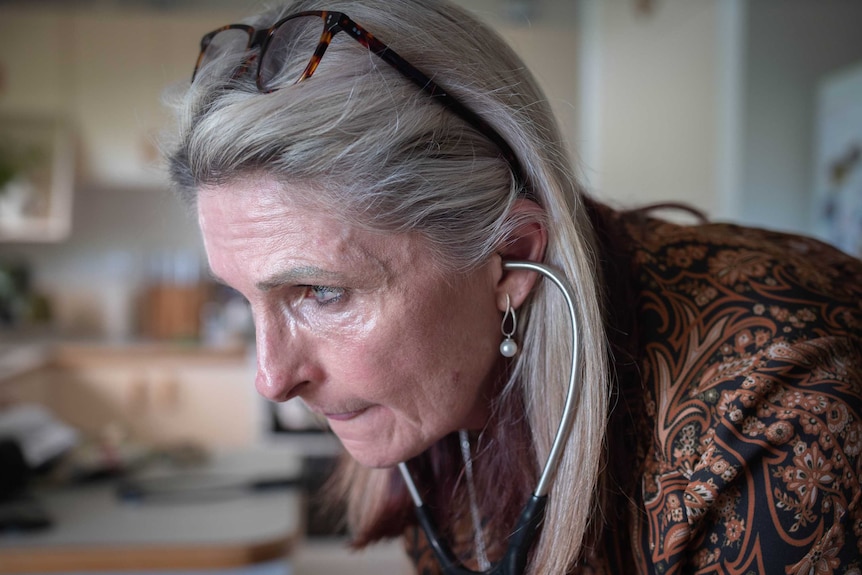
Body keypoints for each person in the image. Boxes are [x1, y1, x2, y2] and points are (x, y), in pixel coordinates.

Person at [166, 1, 862, 573]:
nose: (271, 377)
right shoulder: (442, 388)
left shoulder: (785, 423)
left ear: (513, 255)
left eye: (320, 293)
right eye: (243, 296)